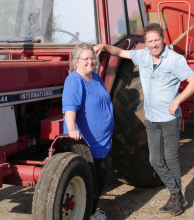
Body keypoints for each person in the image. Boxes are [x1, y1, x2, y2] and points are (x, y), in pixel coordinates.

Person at [94, 23, 194, 216]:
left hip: (169, 119)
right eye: (149, 41)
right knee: (155, 160)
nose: (153, 44)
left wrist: (177, 101)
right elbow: (119, 52)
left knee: (171, 159)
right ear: (146, 42)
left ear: (163, 40)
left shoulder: (175, 59)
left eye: (156, 40)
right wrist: (104, 46)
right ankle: (177, 194)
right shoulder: (142, 55)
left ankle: (175, 196)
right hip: (151, 120)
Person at [62, 43, 114, 220]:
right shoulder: (75, 80)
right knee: (89, 181)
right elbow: (70, 108)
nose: (91, 62)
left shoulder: (96, 78)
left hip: (102, 142)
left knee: (99, 179)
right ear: (76, 62)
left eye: (93, 58)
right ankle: (87, 214)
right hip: (87, 143)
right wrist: (72, 129)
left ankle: (91, 211)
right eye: (86, 59)